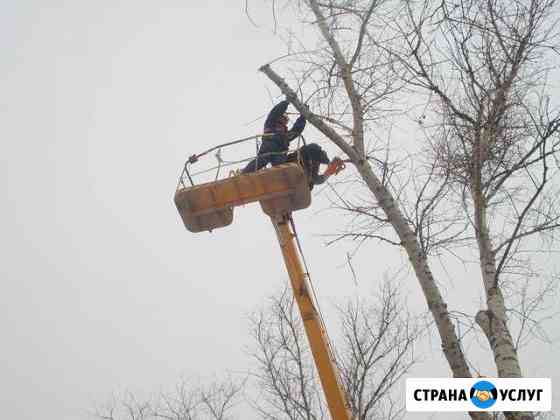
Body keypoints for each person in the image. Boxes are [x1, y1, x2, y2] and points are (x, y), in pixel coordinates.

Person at [242, 99, 306, 173]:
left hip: (281, 152)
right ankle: (243, 173)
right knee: (261, 161)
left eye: (286, 120)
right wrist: (286, 103)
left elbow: (296, 130)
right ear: (280, 117)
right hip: (269, 146)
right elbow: (275, 112)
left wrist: (303, 117)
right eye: (284, 118)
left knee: (281, 168)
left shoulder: (285, 134)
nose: (285, 121)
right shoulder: (271, 123)